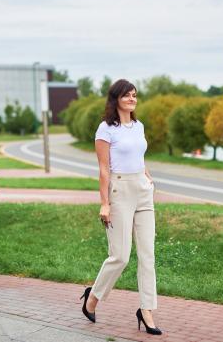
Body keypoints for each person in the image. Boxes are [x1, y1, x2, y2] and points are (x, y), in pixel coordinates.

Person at [80, 79, 162, 335]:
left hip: (142, 191)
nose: (132, 99)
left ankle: (147, 310)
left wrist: (147, 176)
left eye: (134, 95)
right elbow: (104, 169)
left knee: (148, 255)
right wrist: (105, 203)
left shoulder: (139, 126)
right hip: (119, 191)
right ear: (115, 99)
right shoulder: (106, 129)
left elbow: (138, 155)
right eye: (127, 95)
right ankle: (92, 298)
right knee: (121, 256)